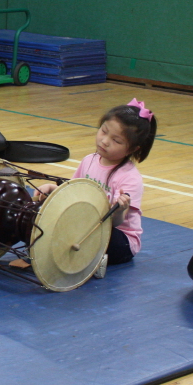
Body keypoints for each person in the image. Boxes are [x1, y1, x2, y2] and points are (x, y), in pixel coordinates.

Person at [35, 99, 157, 278]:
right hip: (87, 226)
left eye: (116, 140)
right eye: (103, 131)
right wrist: (53, 189)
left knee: (79, 235)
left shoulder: (130, 179)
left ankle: (93, 259)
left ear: (132, 149)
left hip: (120, 239)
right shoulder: (89, 160)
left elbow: (114, 224)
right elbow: (74, 193)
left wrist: (119, 211)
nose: (105, 141)